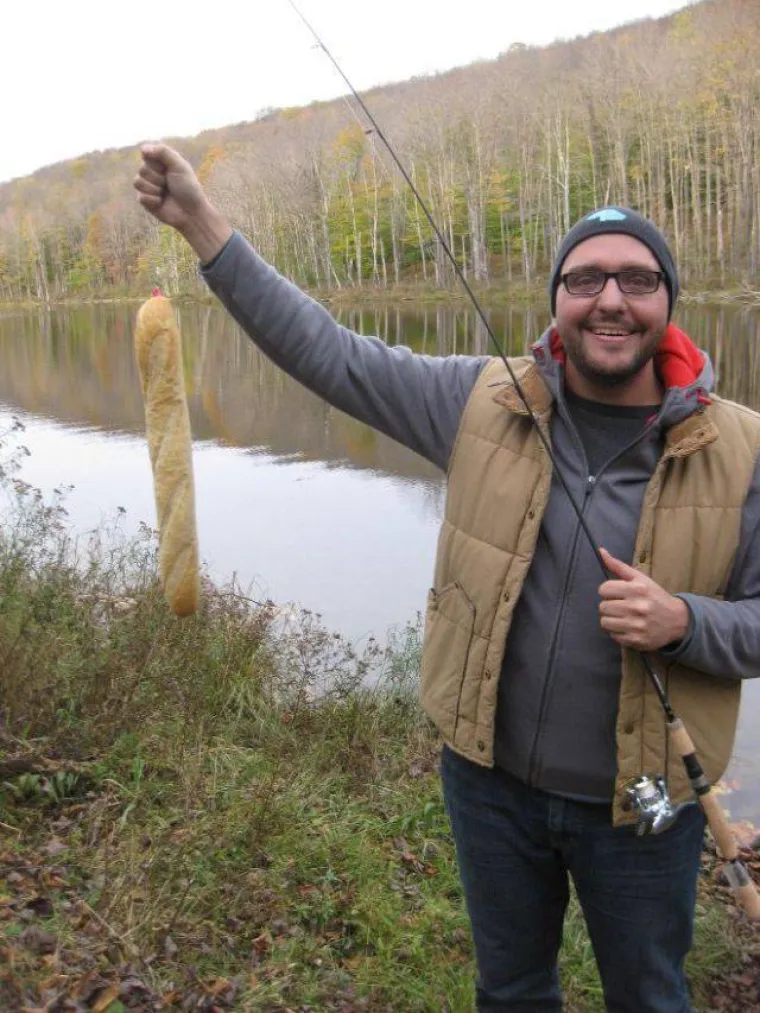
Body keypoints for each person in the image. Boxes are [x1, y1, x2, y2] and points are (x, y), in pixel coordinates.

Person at [134, 144, 760, 1013]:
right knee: (510, 990)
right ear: (557, 301)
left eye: (636, 280)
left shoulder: (742, 448)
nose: (609, 299)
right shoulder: (479, 404)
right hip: (489, 786)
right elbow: (329, 354)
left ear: (667, 304)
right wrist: (204, 227)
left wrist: (684, 621)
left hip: (645, 806)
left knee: (650, 996)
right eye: (584, 279)